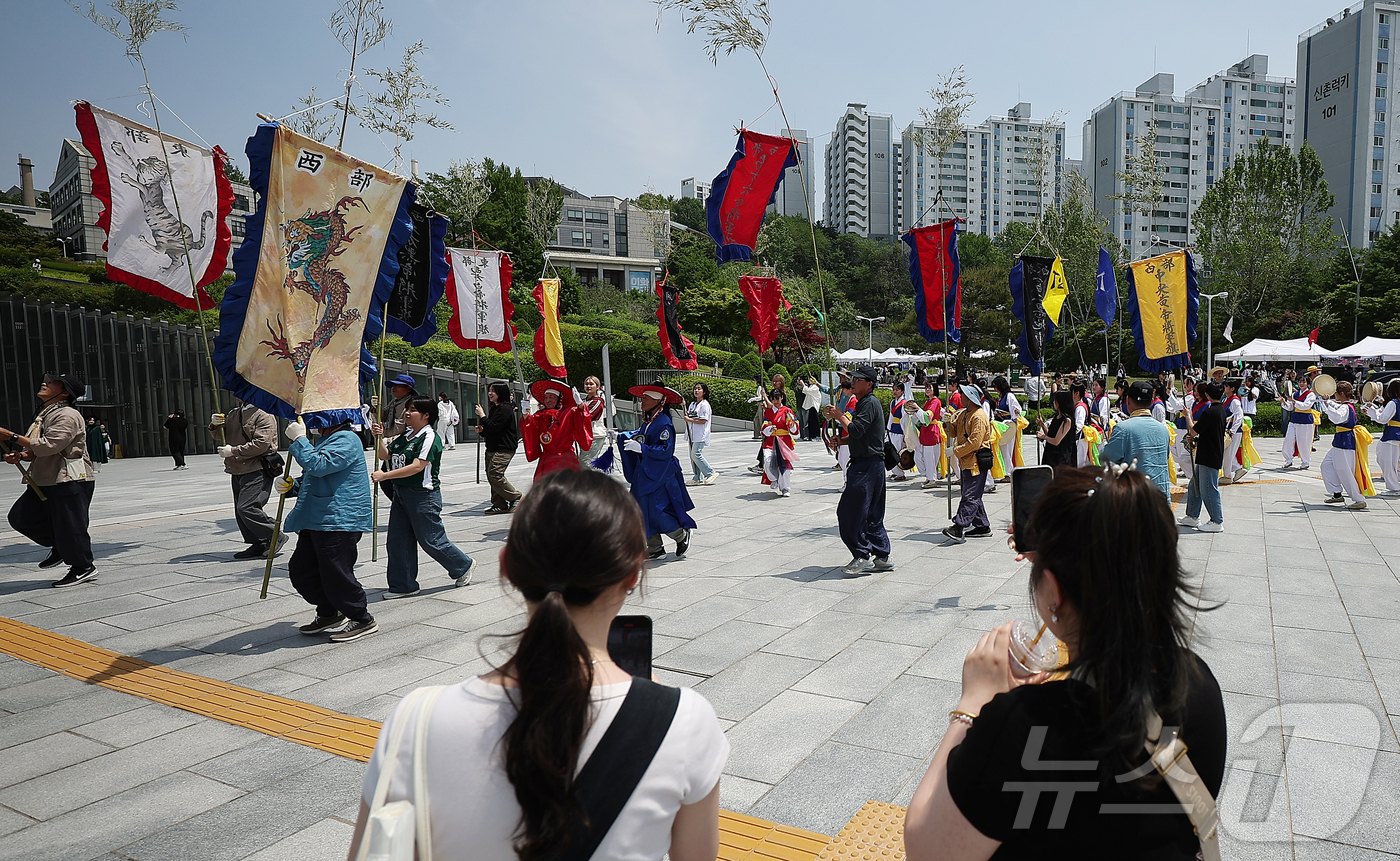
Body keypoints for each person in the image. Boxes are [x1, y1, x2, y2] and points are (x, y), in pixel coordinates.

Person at [348, 469, 728, 861]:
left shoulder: (416, 720)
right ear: (633, 575)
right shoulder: (684, 721)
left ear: (507, 565)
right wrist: (652, 709)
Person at [904, 467, 1226, 860]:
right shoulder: (1198, 681)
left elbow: (926, 850)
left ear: (1054, 590)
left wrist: (972, 704)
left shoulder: (1022, 726)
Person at [276, 417, 378, 643]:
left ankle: (361, 617)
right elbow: (313, 477)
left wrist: (300, 439)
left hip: (338, 518)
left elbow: (320, 466)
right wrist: (292, 486)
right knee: (302, 570)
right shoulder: (327, 439)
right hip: (317, 517)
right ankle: (329, 611)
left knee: (336, 572)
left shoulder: (348, 439)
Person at [373, 396, 476, 597]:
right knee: (398, 541)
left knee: (431, 540)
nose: (407, 413)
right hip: (401, 494)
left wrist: (385, 475)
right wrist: (377, 437)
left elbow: (417, 466)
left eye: (413, 410)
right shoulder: (406, 436)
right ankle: (403, 585)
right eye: (407, 409)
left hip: (422, 496)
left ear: (427, 415)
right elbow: (385, 455)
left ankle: (463, 565)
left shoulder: (430, 437)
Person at [2, 373, 97, 586]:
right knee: (21, 517)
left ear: (65, 392)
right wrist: (21, 455)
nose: (45, 382)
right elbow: (38, 449)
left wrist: (11, 436)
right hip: (47, 478)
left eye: (53, 382)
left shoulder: (68, 415)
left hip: (69, 479)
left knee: (71, 525)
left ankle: (83, 567)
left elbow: (50, 445)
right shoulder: (47, 413)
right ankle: (62, 546)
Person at [823, 365, 891, 575]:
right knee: (871, 512)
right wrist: (842, 441)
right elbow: (860, 435)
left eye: (857, 379)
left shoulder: (869, 403)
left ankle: (862, 555)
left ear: (869, 384)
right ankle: (881, 554)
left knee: (850, 511)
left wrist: (839, 415)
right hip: (872, 464)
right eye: (852, 378)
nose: (853, 382)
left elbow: (856, 429)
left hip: (867, 466)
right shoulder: (865, 402)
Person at [620, 385, 696, 560]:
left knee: (656, 510)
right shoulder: (650, 420)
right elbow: (640, 436)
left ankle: (681, 535)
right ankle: (655, 547)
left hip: (660, 474)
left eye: (646, 398)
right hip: (646, 471)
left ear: (657, 401)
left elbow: (665, 450)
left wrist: (643, 448)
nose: (642, 401)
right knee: (639, 509)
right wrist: (620, 436)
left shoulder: (664, 423)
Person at [209, 398, 285, 560]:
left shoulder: (263, 414)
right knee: (240, 510)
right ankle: (259, 542)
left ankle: (274, 533)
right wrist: (214, 425)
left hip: (256, 467)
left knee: (247, 507)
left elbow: (262, 443)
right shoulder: (233, 414)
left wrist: (234, 451)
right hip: (236, 468)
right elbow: (219, 436)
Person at [1100, 381, 1172, 496]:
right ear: (1151, 402)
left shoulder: (1123, 429)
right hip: (1161, 498)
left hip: (1134, 497)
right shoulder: (1163, 430)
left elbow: (1106, 459)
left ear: (1128, 400)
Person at [943, 383, 994, 544]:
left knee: (970, 495)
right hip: (966, 461)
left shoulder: (978, 416)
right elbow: (955, 430)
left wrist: (955, 451)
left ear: (970, 398)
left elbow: (974, 443)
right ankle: (982, 525)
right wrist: (946, 422)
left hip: (976, 462)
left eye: (963, 395)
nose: (961, 398)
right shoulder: (965, 413)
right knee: (973, 493)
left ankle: (959, 526)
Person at [520, 380, 592, 478]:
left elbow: (582, 417)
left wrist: (580, 404)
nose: (548, 400)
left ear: (559, 399)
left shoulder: (568, 413)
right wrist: (525, 414)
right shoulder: (540, 415)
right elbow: (530, 427)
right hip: (547, 458)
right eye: (546, 398)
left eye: (551, 397)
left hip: (565, 457)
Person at [1181, 381, 1226, 533]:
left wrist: (1188, 416)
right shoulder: (1220, 410)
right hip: (1208, 453)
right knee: (1195, 485)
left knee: (1208, 488)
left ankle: (1216, 520)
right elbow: (1208, 432)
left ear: (1207, 394)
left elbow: (1193, 430)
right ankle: (1192, 516)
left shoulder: (1210, 412)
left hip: (1209, 455)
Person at [1319, 381, 1369, 510]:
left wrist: (1326, 403)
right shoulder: (1346, 405)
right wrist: (1325, 401)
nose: (1334, 395)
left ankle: (1359, 499)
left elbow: (1337, 417)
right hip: (1341, 441)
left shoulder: (1345, 407)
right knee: (1327, 465)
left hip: (1345, 441)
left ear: (1341, 393)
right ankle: (1337, 493)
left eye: (1335, 393)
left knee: (1345, 471)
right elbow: (1333, 407)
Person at [476, 382, 523, 514]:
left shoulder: (505, 409)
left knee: (495, 474)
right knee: (491, 475)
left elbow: (494, 426)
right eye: (490, 390)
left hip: (504, 448)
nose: (490, 393)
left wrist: (482, 416)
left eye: (493, 391)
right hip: (492, 446)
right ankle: (499, 504)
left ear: (501, 393)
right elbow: (491, 430)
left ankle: (516, 496)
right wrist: (482, 430)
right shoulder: (495, 408)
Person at [760, 389, 800, 498]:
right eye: (773, 398)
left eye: (777, 398)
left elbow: (795, 427)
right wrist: (769, 428)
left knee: (785, 466)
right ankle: (773, 479)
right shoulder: (768, 412)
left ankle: (785, 488)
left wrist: (792, 426)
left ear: (782, 398)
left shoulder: (788, 411)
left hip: (784, 442)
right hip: (771, 441)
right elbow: (764, 427)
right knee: (768, 462)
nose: (775, 401)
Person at [1364, 379, 1400, 494]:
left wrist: (1370, 410)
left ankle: (1394, 487)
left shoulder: (1393, 402)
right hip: (1394, 434)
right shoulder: (1395, 402)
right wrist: (1372, 410)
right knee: (1389, 460)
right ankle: (1395, 482)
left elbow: (1382, 419)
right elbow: (1382, 414)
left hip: (1392, 435)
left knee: (1388, 461)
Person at [1281, 371, 1317, 469]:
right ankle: (1288, 459)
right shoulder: (1295, 394)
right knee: (1288, 440)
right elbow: (1290, 407)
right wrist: (1284, 402)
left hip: (1305, 420)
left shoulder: (1311, 394)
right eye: (1300, 381)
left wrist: (1294, 401)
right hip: (1294, 419)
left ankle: (1305, 462)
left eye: (1304, 382)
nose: (1302, 383)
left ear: (1308, 384)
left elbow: (1306, 406)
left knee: (1304, 442)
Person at [990, 377, 1022, 485]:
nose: (995, 389)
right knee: (1003, 449)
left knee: (1007, 450)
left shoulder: (1009, 396)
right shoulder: (1002, 396)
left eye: (996, 386)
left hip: (1009, 426)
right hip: (1001, 425)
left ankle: (1009, 472)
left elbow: (1017, 410)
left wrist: (1016, 413)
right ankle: (1008, 471)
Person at [683, 382, 716, 485]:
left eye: (699, 389)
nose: (696, 391)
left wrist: (690, 420)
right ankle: (697, 477)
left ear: (704, 392)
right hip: (691, 434)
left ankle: (710, 473)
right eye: (695, 389)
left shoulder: (705, 405)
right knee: (692, 456)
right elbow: (688, 416)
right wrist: (684, 406)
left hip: (700, 434)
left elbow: (703, 420)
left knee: (696, 454)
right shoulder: (693, 404)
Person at [1035, 391, 1077, 471]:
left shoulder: (1067, 420)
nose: (1054, 402)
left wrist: (1043, 437)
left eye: (1055, 400)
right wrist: (1042, 424)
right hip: (1051, 454)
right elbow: (1051, 435)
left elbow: (1056, 441)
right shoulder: (1056, 417)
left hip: (1060, 457)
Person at [913, 383, 944, 488]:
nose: (927, 389)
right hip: (927, 430)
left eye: (930, 387)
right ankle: (930, 477)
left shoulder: (935, 401)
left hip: (932, 431)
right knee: (924, 456)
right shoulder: (929, 402)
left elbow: (927, 418)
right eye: (926, 387)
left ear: (935, 389)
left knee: (930, 457)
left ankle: (931, 479)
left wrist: (917, 409)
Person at [1220, 379, 1248, 484]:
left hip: (1233, 432)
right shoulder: (1226, 399)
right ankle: (1238, 469)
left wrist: (1232, 431)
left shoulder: (1234, 401)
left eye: (1226, 386)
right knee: (1227, 453)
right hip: (1228, 430)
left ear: (1232, 389)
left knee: (1228, 453)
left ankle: (1227, 476)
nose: (1224, 388)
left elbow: (1239, 416)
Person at [578, 376, 609, 470]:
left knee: (587, 462)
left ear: (598, 386)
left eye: (591, 384)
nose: (588, 386)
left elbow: (588, 416)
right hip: (585, 435)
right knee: (583, 461)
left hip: (595, 435)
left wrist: (579, 407)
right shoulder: (584, 400)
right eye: (586, 384)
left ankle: (594, 483)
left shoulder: (598, 401)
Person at [888, 379, 911, 482]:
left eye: (897, 389)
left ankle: (900, 473)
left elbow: (905, 420)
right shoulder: (893, 402)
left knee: (897, 452)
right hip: (893, 429)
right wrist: (888, 428)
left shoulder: (904, 403)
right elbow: (890, 416)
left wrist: (905, 435)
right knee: (891, 452)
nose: (895, 391)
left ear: (902, 391)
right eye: (893, 389)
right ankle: (895, 472)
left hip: (900, 431)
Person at [1071, 383, 1091, 467]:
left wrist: (1070, 434)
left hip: (1080, 439)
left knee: (1080, 464)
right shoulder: (1078, 406)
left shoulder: (1080, 408)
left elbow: (1079, 425)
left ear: (1077, 393)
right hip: (1079, 438)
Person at [800, 375, 822, 441]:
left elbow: (808, 390)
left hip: (814, 406)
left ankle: (817, 435)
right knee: (810, 421)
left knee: (814, 421)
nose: (809, 380)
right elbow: (806, 391)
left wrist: (803, 384)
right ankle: (811, 436)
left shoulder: (815, 387)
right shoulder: (811, 386)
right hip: (811, 406)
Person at [749, 374, 767, 441]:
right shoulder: (761, 387)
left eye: (754, 380)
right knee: (756, 419)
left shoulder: (760, 387)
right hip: (760, 403)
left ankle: (763, 434)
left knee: (761, 419)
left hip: (761, 403)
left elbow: (760, 397)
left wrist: (752, 399)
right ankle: (757, 434)